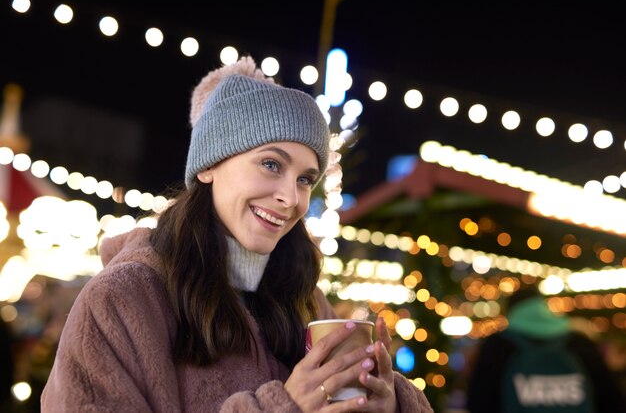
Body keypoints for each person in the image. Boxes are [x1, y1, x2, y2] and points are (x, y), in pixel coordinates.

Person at [40, 56, 433, 412]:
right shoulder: (122, 299)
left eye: (305, 179)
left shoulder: (305, 302)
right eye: (270, 164)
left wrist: (387, 404)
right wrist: (282, 407)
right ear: (209, 165)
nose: (290, 197)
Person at [466, 284, 625, 413]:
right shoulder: (578, 342)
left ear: (511, 312)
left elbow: (478, 401)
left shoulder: (498, 344)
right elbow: (611, 399)